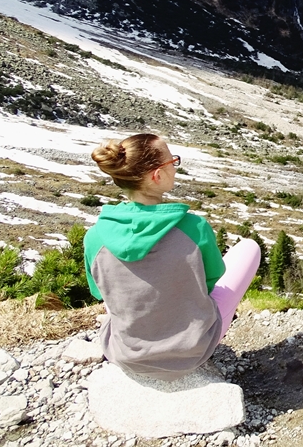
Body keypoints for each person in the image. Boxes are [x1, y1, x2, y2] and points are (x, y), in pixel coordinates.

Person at [84, 133, 261, 380]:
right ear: (157, 175)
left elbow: (101, 293)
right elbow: (211, 282)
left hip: (126, 355)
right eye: (172, 162)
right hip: (194, 350)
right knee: (249, 248)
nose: (175, 168)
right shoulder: (194, 228)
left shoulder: (94, 238)